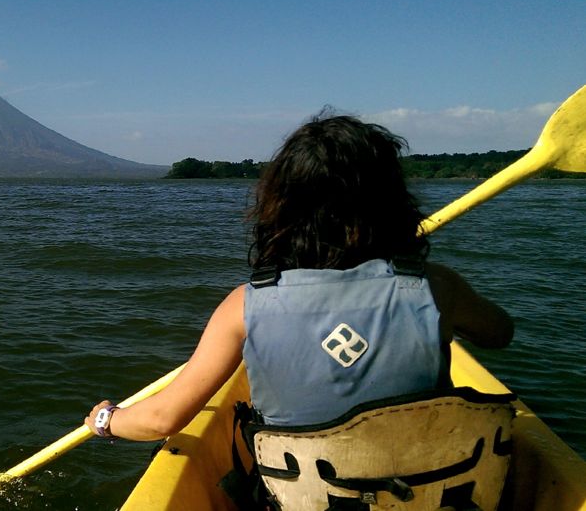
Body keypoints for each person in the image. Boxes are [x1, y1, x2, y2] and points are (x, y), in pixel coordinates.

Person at [85, 111, 513, 440]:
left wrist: (106, 420)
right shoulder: (436, 288)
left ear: (281, 206)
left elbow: (162, 419)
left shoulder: (245, 305)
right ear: (392, 201)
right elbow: (499, 333)